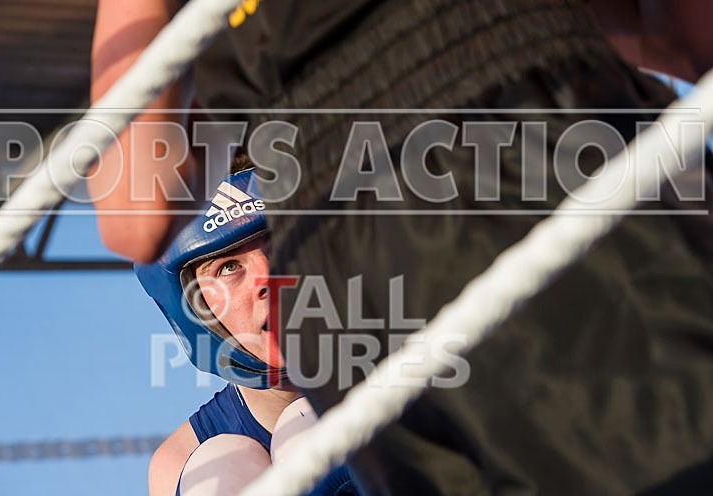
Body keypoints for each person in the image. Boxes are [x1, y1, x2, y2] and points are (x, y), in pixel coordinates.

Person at [91, 1, 713, 494]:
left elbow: (133, 218)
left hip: (355, 238)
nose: (260, 280)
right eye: (229, 264)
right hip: (536, 127)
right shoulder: (204, 448)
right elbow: (681, 36)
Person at [134, 165, 356, 495]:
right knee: (219, 471)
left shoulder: (422, 359)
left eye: (278, 245)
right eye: (229, 267)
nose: (268, 279)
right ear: (196, 310)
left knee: (306, 429)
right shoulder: (177, 462)